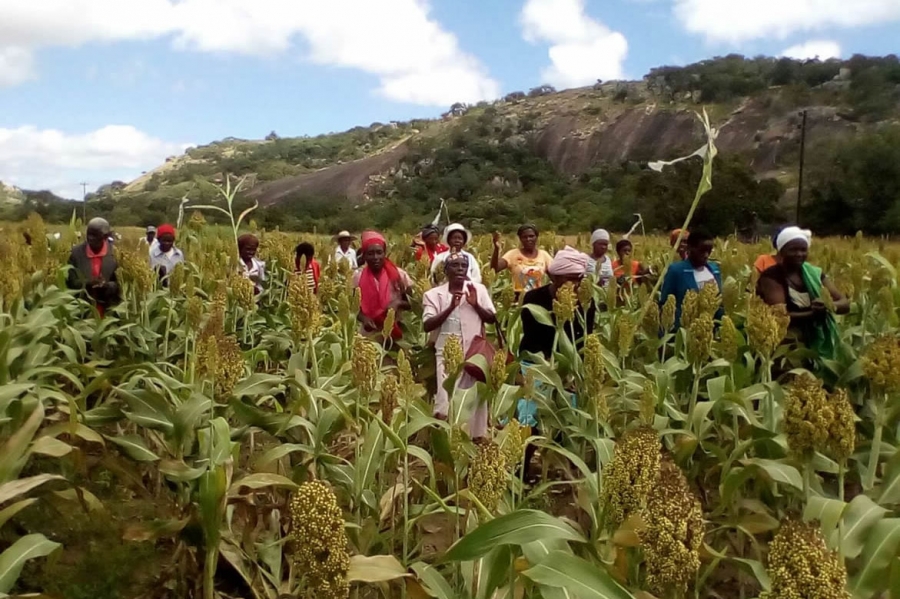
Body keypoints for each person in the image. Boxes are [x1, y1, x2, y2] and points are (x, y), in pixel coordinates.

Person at [423, 252, 497, 440]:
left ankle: (475, 440)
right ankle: (445, 442)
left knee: (474, 400)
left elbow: (491, 318)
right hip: (446, 355)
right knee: (445, 399)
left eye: (463, 266)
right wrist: (450, 307)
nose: (460, 269)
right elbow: (427, 324)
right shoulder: (433, 295)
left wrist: (475, 304)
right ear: (445, 270)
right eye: (455, 266)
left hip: (474, 355)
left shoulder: (477, 290)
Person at [757, 227, 849, 359]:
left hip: (813, 336)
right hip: (783, 343)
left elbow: (844, 303)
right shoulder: (771, 277)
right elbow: (780, 315)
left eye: (803, 250)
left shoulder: (815, 273)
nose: (799, 254)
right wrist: (814, 313)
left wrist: (829, 306)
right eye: (793, 250)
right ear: (781, 251)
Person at [353, 231, 412, 340]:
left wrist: (398, 303)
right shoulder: (358, 278)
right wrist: (364, 319)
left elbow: (412, 304)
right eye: (370, 253)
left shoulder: (399, 275)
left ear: (384, 253)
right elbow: (354, 308)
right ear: (364, 256)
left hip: (396, 332)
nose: (375, 257)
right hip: (370, 335)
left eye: (379, 252)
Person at [659, 229, 723, 329]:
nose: (706, 255)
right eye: (702, 251)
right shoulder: (676, 270)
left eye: (709, 251)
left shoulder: (714, 270)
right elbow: (665, 302)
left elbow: (719, 301)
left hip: (710, 329)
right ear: (689, 248)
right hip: (684, 329)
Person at [66, 217, 120, 317]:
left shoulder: (116, 254)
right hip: (82, 311)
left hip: (108, 311)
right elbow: (71, 282)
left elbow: (121, 284)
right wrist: (89, 283)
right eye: (89, 234)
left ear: (105, 236)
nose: (90, 238)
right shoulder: (75, 253)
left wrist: (106, 285)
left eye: (95, 235)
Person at [491, 224, 554, 295]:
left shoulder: (544, 255)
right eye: (524, 237)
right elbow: (494, 269)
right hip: (517, 297)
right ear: (520, 239)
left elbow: (555, 277)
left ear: (536, 237)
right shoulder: (512, 254)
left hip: (536, 298)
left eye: (531, 236)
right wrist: (496, 249)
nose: (528, 239)